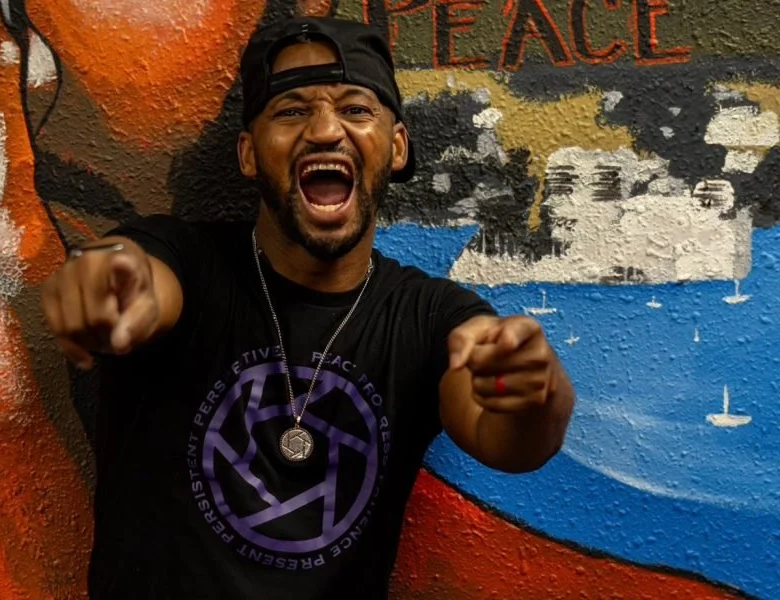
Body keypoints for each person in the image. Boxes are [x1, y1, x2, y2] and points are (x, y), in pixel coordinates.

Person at [41, 15, 575, 600]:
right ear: (249, 153)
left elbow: (508, 437)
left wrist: (529, 393)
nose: (325, 130)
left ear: (396, 147)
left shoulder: (429, 317)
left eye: (356, 109)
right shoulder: (186, 260)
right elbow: (141, 279)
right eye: (292, 111)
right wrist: (108, 285)